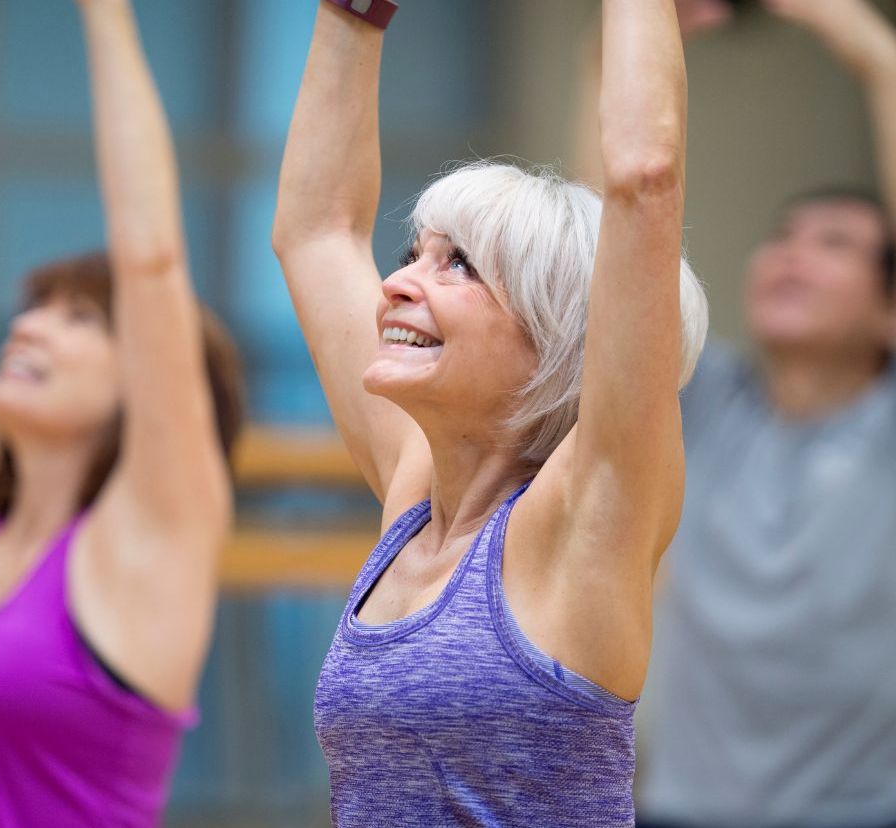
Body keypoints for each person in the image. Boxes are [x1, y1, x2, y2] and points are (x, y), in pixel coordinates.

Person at [274, 0, 707, 824]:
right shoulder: (416, 498)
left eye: (460, 266)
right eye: (414, 256)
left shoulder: (587, 519)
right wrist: (352, 19)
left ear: (554, 341)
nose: (399, 283)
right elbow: (316, 231)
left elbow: (645, 181)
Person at [0, 0, 245, 825]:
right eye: (34, 307)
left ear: (149, 370)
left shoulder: (152, 539)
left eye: (79, 318)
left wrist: (105, 17)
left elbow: (151, 258)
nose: (25, 326)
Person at [582, 1, 896, 825]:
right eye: (785, 235)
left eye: (834, 244)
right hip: (677, 809)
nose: (793, 252)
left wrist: (875, 56)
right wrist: (604, 68)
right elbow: (608, 261)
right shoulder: (703, 407)